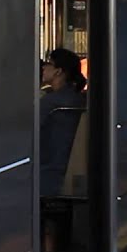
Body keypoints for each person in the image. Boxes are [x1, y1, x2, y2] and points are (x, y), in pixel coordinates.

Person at [39, 48, 87, 194]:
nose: (42, 67)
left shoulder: (50, 102)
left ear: (58, 71)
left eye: (48, 63)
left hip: (47, 171)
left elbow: (28, 130)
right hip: (68, 165)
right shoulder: (77, 98)